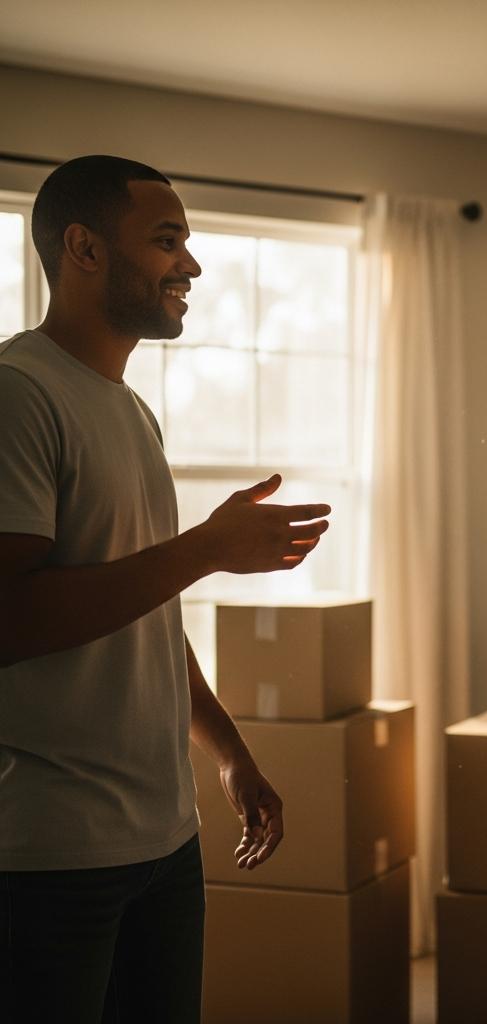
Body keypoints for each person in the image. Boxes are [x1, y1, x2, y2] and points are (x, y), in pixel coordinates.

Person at [0, 155, 331, 1023]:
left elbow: (142, 604)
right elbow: (10, 616)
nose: (191, 264)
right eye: (166, 240)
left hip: (166, 839)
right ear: (84, 249)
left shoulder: (131, 410)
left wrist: (227, 750)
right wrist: (206, 549)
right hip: (51, 857)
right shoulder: (18, 394)